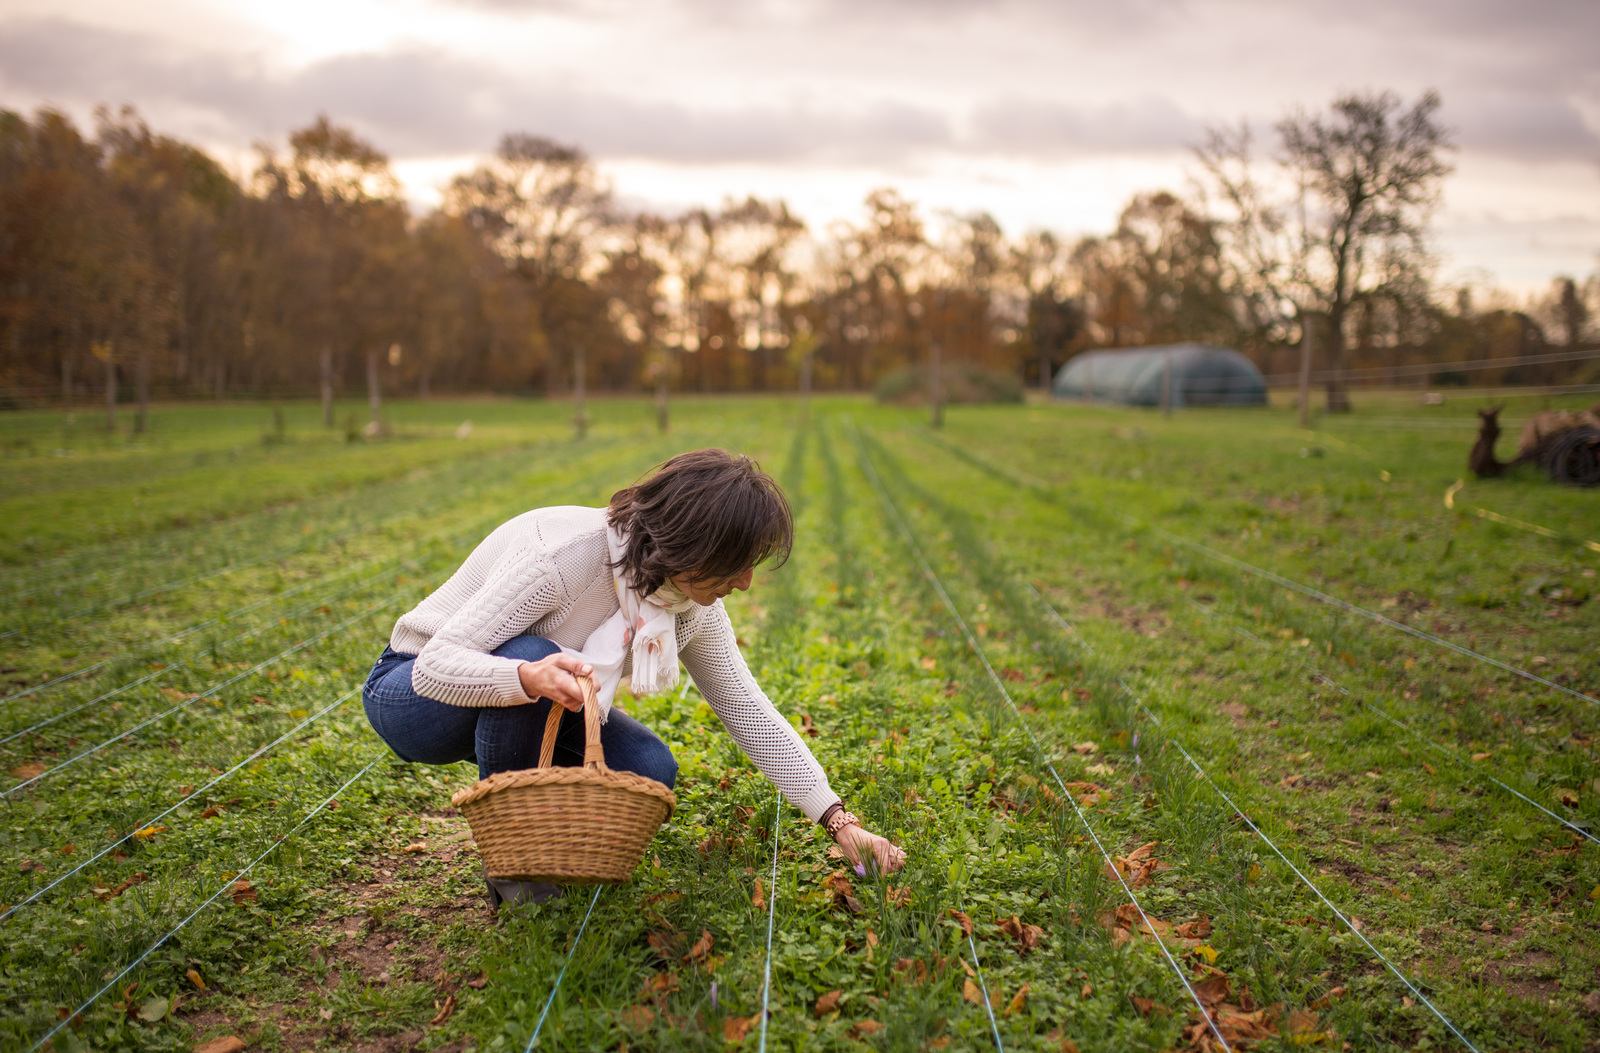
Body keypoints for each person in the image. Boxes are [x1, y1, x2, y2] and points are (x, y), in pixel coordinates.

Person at [361, 448, 907, 908]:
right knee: (539, 655)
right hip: (411, 694)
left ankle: (549, 827)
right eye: (734, 564)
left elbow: (746, 709)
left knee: (649, 769)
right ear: (691, 542)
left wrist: (838, 820)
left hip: (529, 702)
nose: (743, 582)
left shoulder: (689, 606)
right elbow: (436, 664)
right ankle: (517, 867)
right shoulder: (563, 558)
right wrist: (527, 674)